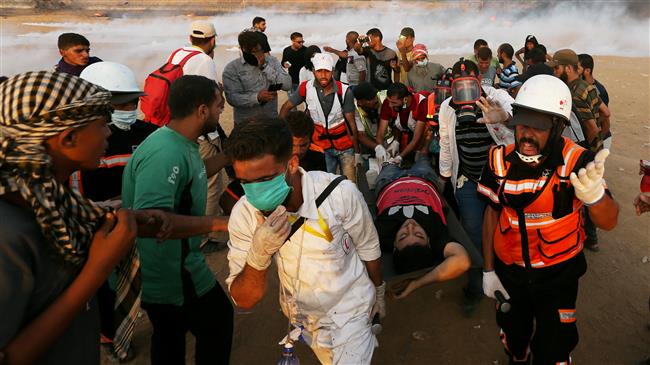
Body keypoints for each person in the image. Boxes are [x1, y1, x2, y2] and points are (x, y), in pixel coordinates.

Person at [478, 74, 619, 364]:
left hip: (558, 277)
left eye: (539, 127)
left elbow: (609, 221)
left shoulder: (578, 164)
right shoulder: (497, 162)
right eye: (521, 125)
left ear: (557, 128)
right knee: (514, 338)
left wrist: (593, 196)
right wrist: (489, 270)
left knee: (554, 347)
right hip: (511, 275)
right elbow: (492, 213)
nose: (526, 135)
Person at [0, 71, 137, 364]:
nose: (109, 133)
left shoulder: (52, 199)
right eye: (102, 125)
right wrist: (97, 270)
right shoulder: (7, 231)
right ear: (69, 137)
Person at [225, 117, 384, 365]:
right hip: (304, 319)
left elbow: (368, 245)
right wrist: (258, 255)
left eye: (265, 180)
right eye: (245, 183)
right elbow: (245, 299)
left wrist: (379, 290)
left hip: (352, 308)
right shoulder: (244, 214)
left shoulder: (339, 194)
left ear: (292, 163)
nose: (255, 192)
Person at [121, 75, 234, 365]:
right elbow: (151, 221)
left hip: (178, 264)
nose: (221, 111)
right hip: (171, 270)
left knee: (169, 338)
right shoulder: (165, 153)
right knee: (216, 322)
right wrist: (220, 223)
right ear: (201, 111)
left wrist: (228, 157)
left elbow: (191, 174)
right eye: (219, 106)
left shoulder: (180, 142)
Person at [77, 61, 157, 361]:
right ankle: (108, 336)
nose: (128, 108)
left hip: (134, 222)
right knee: (100, 287)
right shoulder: (79, 142)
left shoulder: (148, 133)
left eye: (133, 101)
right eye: (119, 103)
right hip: (94, 228)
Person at [438, 58, 514, 315]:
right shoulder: (447, 108)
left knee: (506, 232)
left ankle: (504, 281)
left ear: (479, 81)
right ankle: (475, 285)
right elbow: (446, 145)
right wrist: (444, 179)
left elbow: (519, 122)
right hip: (468, 180)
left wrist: (502, 118)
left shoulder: (496, 97)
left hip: (502, 181)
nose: (464, 90)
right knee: (472, 234)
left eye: (469, 83)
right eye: (458, 85)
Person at [373, 144, 471, 297]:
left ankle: (395, 157)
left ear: (393, 246)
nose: (410, 226)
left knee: (389, 162)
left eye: (403, 235)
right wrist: (417, 284)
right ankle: (420, 152)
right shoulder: (436, 234)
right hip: (423, 178)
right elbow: (462, 261)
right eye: (419, 235)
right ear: (429, 242)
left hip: (389, 181)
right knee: (422, 155)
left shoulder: (381, 234)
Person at [219, 111, 327, 215]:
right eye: (292, 145)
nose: (297, 151)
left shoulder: (318, 157)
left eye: (303, 145)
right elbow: (227, 199)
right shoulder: (264, 161)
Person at [280, 53, 359, 182]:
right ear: (313, 71)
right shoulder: (305, 88)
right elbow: (285, 107)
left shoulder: (344, 91)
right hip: (321, 146)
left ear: (332, 71)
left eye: (327, 71)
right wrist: (282, 133)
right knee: (325, 184)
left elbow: (351, 123)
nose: (323, 75)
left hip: (345, 146)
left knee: (350, 183)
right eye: (319, 71)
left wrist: (357, 152)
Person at [223, 30, 291, 125]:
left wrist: (265, 67)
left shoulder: (272, 61)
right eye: (253, 52)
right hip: (246, 124)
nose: (258, 55)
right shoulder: (232, 68)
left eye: (260, 51)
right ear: (243, 49)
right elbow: (232, 98)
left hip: (270, 121)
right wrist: (256, 97)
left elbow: (287, 85)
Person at [376, 82, 429, 164]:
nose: (390, 105)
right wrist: (380, 148)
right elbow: (380, 133)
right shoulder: (388, 103)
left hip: (422, 138)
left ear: (405, 99)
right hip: (403, 134)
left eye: (393, 103)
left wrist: (400, 157)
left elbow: (416, 139)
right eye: (389, 101)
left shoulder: (421, 104)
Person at [352, 81, 395, 158]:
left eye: (375, 96)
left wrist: (396, 142)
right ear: (360, 102)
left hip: (390, 141)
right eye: (370, 99)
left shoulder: (385, 98)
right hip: (370, 144)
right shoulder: (354, 109)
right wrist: (378, 148)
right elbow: (360, 135)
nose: (375, 100)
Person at [578, 53, 612, 149]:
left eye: (578, 68)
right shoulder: (582, 88)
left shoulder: (598, 91)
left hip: (599, 140)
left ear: (587, 71)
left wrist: (595, 140)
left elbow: (605, 119)